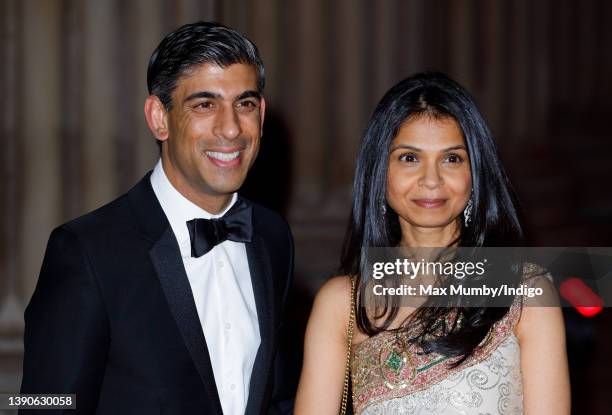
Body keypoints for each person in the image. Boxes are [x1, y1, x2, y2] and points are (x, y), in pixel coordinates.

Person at [21, 21, 294, 415]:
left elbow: (276, 395)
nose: (231, 127)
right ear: (159, 117)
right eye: (205, 104)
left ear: (261, 114)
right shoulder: (86, 252)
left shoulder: (272, 237)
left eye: (245, 104)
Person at [295, 72, 570, 414]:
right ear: (380, 172)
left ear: (475, 174)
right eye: (409, 158)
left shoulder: (526, 292)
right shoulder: (341, 303)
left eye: (452, 158)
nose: (431, 180)